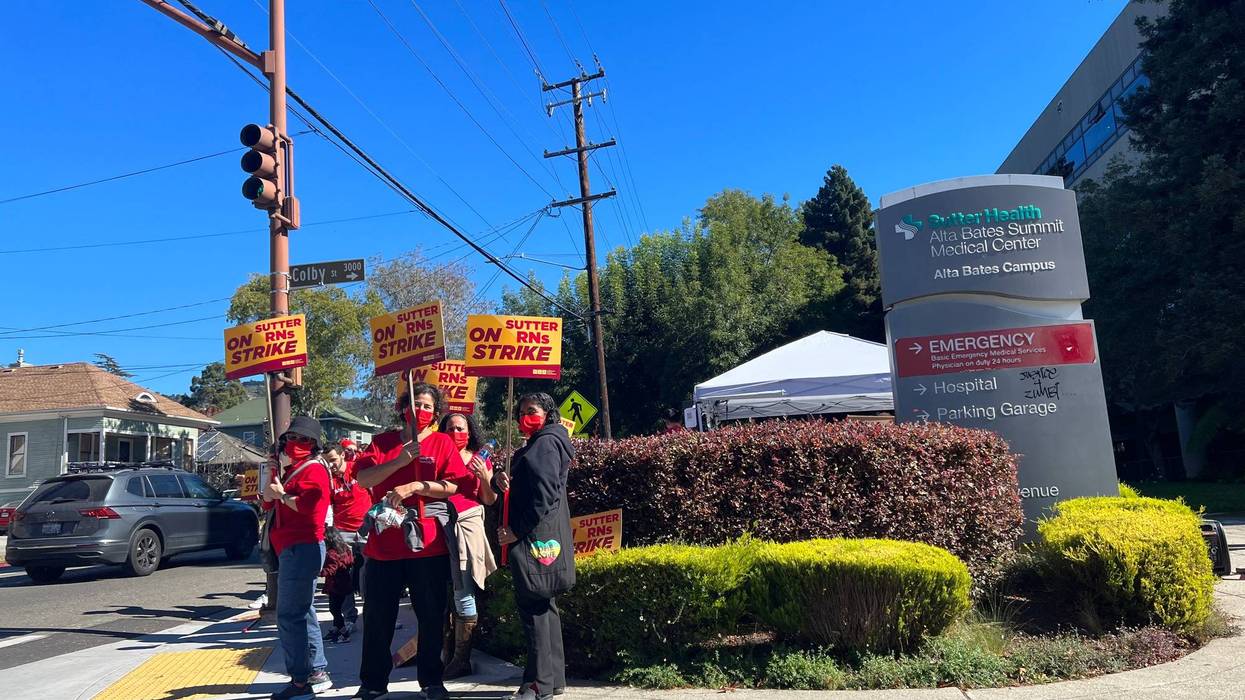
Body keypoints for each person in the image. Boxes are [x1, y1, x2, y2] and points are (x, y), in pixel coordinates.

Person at [352, 383, 477, 700]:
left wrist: (416, 486)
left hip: (428, 546)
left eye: (427, 406)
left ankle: (432, 681)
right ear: (403, 407)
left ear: (435, 413)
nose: (420, 411)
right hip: (384, 548)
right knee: (378, 620)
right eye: (415, 404)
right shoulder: (381, 443)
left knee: (432, 617)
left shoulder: (442, 443)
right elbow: (364, 479)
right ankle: (373, 684)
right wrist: (398, 461)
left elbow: (453, 487)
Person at [496, 393, 576, 700]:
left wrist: (516, 531)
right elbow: (521, 482)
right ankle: (553, 679)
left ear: (548, 414)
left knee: (534, 610)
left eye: (532, 411)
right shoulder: (541, 443)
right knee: (544, 606)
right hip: (544, 537)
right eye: (521, 412)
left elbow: (543, 495)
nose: (525, 416)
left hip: (534, 537)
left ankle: (537, 685)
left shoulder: (544, 444)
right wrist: (499, 481)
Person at [260, 416, 334, 700]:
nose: (296, 443)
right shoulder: (293, 470)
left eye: (304, 439)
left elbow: (311, 509)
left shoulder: (313, 470)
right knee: (303, 611)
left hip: (302, 547)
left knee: (290, 615)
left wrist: (282, 495)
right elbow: (267, 501)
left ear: (315, 445)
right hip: (293, 548)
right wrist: (273, 478)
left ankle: (300, 681)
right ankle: (315, 671)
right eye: (292, 438)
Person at [438, 411, 500, 678]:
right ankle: (445, 652)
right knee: (439, 593)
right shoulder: (436, 455)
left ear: (470, 431)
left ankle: (461, 660)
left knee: (464, 590)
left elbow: (489, 499)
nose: (455, 433)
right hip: (436, 528)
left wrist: (485, 477)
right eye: (450, 428)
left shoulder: (480, 458)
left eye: (460, 428)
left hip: (467, 527)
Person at [322, 443, 372, 642]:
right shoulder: (328, 480)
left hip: (367, 528)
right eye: (327, 462)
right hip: (343, 532)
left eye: (333, 460)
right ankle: (349, 619)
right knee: (343, 577)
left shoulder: (358, 470)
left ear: (343, 456)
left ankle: (375, 614)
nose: (331, 465)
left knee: (371, 574)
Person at [320, 526, 355, 641]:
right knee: (337, 607)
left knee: (334, 609)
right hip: (344, 584)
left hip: (335, 585)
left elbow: (331, 569)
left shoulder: (331, 554)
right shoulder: (345, 549)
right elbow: (350, 562)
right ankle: (336, 628)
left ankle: (344, 633)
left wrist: (319, 572)